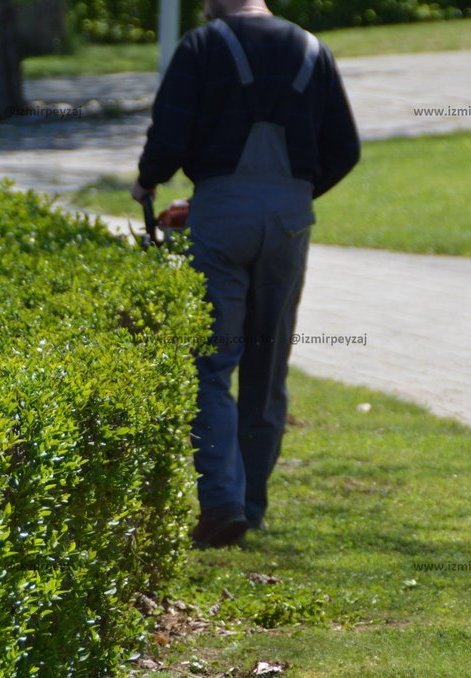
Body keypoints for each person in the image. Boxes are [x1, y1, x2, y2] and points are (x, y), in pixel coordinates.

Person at [131, 0, 360, 548]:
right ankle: (252, 505)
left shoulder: (202, 45)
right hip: (289, 219)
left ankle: (222, 504)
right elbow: (345, 148)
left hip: (221, 216)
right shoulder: (313, 48)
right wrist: (293, 192)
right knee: (268, 363)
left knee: (212, 362)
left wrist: (147, 179)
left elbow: (170, 131)